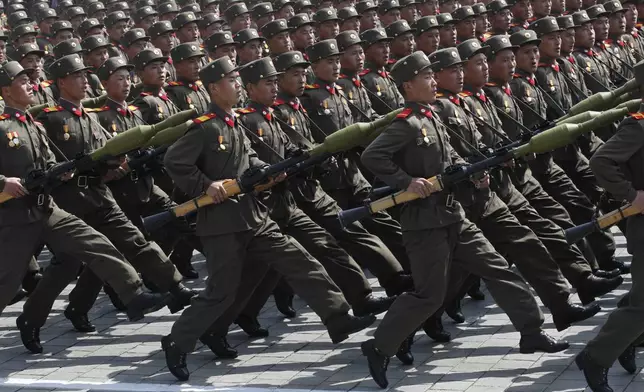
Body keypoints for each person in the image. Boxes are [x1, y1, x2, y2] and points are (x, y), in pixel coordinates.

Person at [360, 51, 567, 389]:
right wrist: (405, 181)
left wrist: (471, 174)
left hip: (453, 214)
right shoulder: (406, 123)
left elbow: (448, 154)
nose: (432, 81)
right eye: (426, 77)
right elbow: (373, 156)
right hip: (425, 223)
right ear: (408, 86)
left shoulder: (431, 116)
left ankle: (531, 331)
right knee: (429, 295)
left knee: (498, 267)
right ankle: (379, 346)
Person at [161, 57, 376, 381]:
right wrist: (206, 185)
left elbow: (248, 160)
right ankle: (177, 340)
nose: (237, 85)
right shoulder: (205, 127)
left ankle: (338, 317)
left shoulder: (235, 122)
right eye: (232, 80)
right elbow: (174, 161)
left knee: (301, 261)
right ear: (215, 88)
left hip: (254, 215)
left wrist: (269, 173)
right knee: (221, 290)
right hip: (222, 224)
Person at [0, 61, 167, 350]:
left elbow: (47, 164)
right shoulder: (3, 127)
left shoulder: (33, 125)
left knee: (96, 243)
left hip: (47, 209)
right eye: (22, 80)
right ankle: (29, 320)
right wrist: (2, 182)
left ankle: (134, 294)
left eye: (30, 79)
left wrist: (61, 171)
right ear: (5, 90)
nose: (30, 84)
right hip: (15, 217)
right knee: (5, 282)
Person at [576, 60, 644, 392]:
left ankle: (629, 338)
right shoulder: (638, 125)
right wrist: (632, 194)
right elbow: (600, 160)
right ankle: (596, 357)